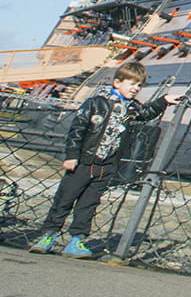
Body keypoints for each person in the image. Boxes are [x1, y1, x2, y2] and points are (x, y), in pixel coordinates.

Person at [30, 60, 179, 259]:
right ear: (117, 83)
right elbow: (77, 130)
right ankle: (47, 236)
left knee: (89, 205)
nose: (135, 89)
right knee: (64, 199)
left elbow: (145, 114)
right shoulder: (96, 103)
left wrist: (163, 101)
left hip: (105, 166)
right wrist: (72, 156)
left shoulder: (132, 108)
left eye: (139, 85)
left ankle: (77, 240)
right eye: (131, 84)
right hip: (84, 162)